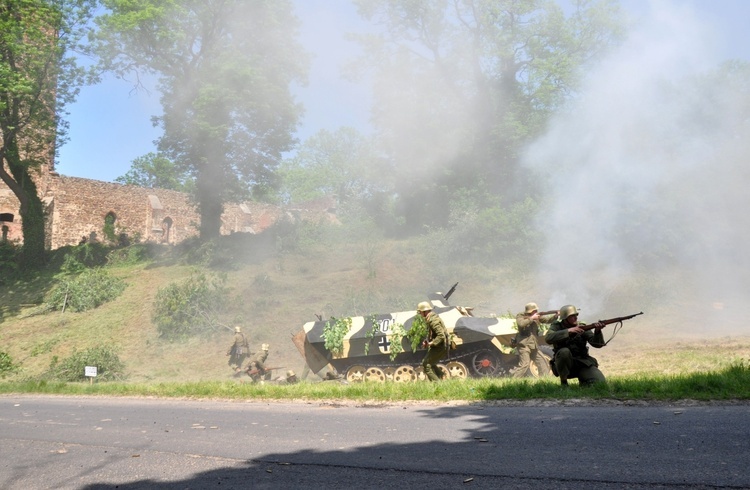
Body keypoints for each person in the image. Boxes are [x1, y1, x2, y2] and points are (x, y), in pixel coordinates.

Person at [544, 305, 606, 386]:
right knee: (564, 351)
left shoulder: (581, 326)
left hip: (582, 363)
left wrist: (597, 332)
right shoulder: (557, 326)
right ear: (565, 318)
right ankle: (564, 383)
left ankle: (584, 381)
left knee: (600, 383)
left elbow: (598, 344)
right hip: (564, 365)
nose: (576, 318)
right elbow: (548, 338)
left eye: (576, 315)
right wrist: (568, 331)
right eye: (572, 316)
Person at [512, 303, 556, 378]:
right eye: (534, 310)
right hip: (524, 345)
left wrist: (556, 316)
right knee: (525, 364)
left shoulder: (537, 316)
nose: (536, 311)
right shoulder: (520, 316)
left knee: (543, 362)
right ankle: (512, 382)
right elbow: (521, 324)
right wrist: (532, 318)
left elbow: (547, 320)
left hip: (533, 345)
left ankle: (544, 380)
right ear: (530, 311)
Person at [416, 301, 448, 382]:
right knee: (430, 363)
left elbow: (441, 336)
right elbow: (432, 334)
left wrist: (430, 343)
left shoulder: (433, 320)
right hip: (439, 345)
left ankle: (437, 384)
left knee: (426, 364)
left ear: (425, 311)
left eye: (420, 312)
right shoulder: (431, 318)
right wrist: (427, 342)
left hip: (440, 346)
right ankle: (441, 376)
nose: (420, 314)